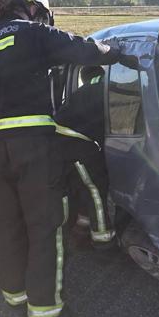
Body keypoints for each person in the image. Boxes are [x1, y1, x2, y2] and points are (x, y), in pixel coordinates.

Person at [0, 0, 126, 317]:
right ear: (32, 6)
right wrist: (116, 52)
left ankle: (15, 300)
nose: (42, 19)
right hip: (34, 148)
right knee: (44, 228)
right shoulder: (33, 33)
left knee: (11, 228)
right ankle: (47, 311)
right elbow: (86, 50)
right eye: (42, 14)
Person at [54, 66, 114, 246]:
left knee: (82, 186)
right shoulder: (107, 90)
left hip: (60, 144)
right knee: (95, 188)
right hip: (75, 144)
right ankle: (103, 240)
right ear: (103, 74)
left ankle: (81, 227)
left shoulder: (81, 93)